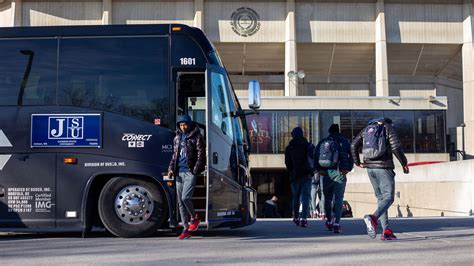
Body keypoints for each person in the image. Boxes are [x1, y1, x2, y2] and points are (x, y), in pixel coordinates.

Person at [351, 117, 409, 241]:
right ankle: (373, 218)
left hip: (370, 168)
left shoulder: (366, 130)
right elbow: (396, 147)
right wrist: (404, 163)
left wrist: (357, 162)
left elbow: (353, 145)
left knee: (381, 198)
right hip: (383, 167)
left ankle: (386, 231)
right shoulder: (387, 128)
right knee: (388, 197)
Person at [168, 114, 206, 240]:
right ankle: (185, 229)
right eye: (180, 125)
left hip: (189, 172)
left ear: (189, 124)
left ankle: (194, 217)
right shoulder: (177, 137)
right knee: (180, 202)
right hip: (178, 172)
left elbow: (201, 154)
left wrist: (195, 170)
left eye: (185, 124)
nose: (183, 127)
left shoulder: (197, 137)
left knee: (185, 197)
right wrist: (171, 169)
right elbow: (174, 155)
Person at [314, 124, 353, 234]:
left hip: (326, 172)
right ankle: (337, 223)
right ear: (339, 131)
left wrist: (318, 169)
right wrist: (348, 168)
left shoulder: (324, 141)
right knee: (339, 197)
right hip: (340, 172)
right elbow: (352, 155)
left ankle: (329, 220)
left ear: (329, 131)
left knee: (327, 198)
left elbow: (315, 155)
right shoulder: (345, 141)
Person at [285, 127, 313, 228]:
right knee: (305, 197)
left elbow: (287, 163)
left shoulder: (289, 148)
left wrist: (292, 171)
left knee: (295, 197)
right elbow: (313, 159)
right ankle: (304, 219)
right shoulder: (308, 145)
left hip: (295, 175)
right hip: (307, 174)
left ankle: (296, 217)